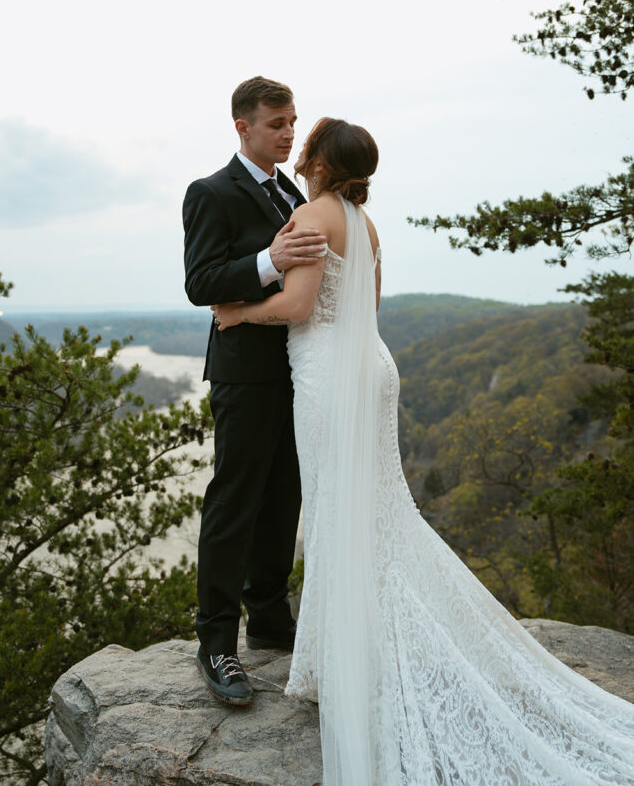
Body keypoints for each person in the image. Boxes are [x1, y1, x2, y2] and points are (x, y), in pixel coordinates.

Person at [212, 117, 634, 785]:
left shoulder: (314, 213)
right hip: (372, 366)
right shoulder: (363, 220)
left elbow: (296, 306)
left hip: (327, 375)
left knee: (332, 507)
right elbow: (366, 305)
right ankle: (350, 642)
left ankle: (335, 657)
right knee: (378, 510)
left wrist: (236, 314)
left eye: (306, 139)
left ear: (319, 159)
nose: (298, 148)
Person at [182, 76, 327, 706]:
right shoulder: (211, 192)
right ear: (243, 126)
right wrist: (269, 260)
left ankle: (269, 617)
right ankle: (216, 644)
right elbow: (201, 280)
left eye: (294, 121)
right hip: (244, 374)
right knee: (234, 503)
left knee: (283, 500)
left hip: (299, 369)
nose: (290, 133)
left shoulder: (291, 190)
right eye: (277, 124)